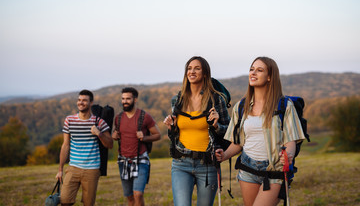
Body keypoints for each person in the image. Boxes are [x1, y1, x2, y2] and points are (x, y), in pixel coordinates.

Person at [215, 56, 305, 206]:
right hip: (247, 169)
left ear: (270, 77)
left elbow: (290, 140)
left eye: (259, 70)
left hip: (274, 169)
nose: (253, 73)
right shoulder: (241, 107)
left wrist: (288, 155)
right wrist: (223, 155)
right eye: (251, 69)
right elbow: (238, 143)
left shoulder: (284, 106)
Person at [163, 56, 230, 206]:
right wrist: (172, 127)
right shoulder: (177, 99)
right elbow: (174, 136)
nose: (192, 71)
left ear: (205, 73)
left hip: (207, 164)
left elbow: (229, 132)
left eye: (197, 68)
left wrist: (217, 126)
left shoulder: (216, 100)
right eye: (189, 68)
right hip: (181, 163)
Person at [56, 89, 113, 206]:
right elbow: (65, 145)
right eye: (79, 100)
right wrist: (60, 170)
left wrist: (99, 134)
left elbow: (110, 144)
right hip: (73, 168)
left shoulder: (99, 122)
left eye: (84, 100)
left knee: (88, 204)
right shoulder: (69, 120)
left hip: (92, 170)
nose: (81, 103)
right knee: (64, 201)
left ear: (91, 103)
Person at [112, 87, 161, 206]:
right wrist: (114, 135)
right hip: (123, 161)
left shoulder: (144, 116)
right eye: (123, 99)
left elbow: (158, 135)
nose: (125, 101)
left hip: (140, 160)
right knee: (129, 197)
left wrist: (144, 137)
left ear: (135, 99)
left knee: (138, 194)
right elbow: (116, 134)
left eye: (128, 99)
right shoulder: (118, 118)